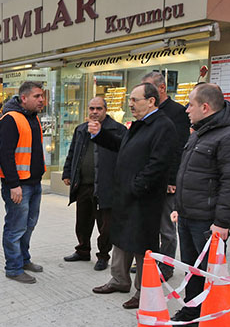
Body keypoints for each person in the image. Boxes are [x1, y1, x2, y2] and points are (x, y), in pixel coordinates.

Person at [169, 83, 230, 327]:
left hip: (209, 220)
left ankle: (208, 322)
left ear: (205, 107)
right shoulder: (200, 133)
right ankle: (192, 311)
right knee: (192, 268)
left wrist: (222, 223)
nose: (186, 109)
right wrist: (178, 207)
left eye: (190, 104)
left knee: (209, 272)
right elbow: (188, 173)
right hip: (188, 214)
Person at [89, 82, 175, 309]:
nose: (130, 104)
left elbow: (158, 163)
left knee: (141, 245)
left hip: (143, 198)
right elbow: (123, 146)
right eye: (130, 100)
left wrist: (137, 186)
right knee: (121, 238)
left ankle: (143, 291)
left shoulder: (162, 126)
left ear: (151, 101)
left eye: (135, 100)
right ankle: (119, 280)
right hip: (126, 194)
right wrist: (101, 136)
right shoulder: (141, 124)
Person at [62, 97, 124, 271]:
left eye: (98, 108)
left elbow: (123, 157)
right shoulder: (81, 129)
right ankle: (82, 250)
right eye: (91, 108)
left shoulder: (117, 130)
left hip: (105, 186)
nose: (94, 112)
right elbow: (72, 152)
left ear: (105, 110)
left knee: (105, 226)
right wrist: (68, 173)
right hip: (83, 185)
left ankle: (103, 255)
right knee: (82, 221)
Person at [0, 81, 46, 284]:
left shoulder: (33, 118)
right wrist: (14, 184)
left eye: (42, 96)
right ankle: (13, 267)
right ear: (23, 98)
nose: (41, 100)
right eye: (37, 96)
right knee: (16, 227)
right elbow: (6, 155)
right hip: (19, 185)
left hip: (34, 183)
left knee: (29, 225)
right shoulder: (10, 119)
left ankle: (24, 259)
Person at [141, 72, 190, 281]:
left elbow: (178, 147)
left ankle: (167, 266)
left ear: (162, 88)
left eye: (149, 88)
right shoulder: (147, 111)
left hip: (167, 181)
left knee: (167, 228)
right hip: (148, 179)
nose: (146, 93)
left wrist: (172, 179)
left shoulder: (177, 112)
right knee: (148, 224)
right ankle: (149, 262)